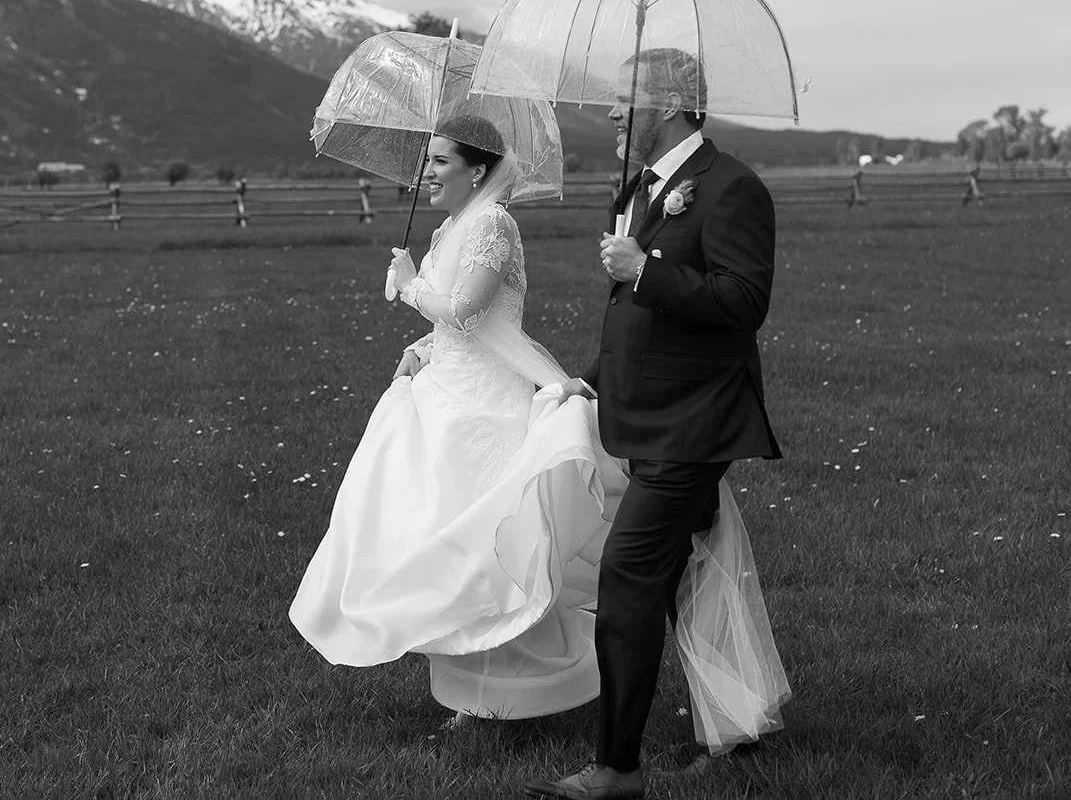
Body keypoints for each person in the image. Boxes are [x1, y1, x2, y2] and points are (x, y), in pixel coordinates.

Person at [288, 114, 622, 726]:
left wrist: (412, 286)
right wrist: (421, 347)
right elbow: (455, 329)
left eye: (441, 161)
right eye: (429, 160)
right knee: (441, 540)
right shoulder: (451, 227)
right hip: (447, 391)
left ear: (478, 170)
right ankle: (471, 694)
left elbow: (469, 310)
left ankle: (512, 694)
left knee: (489, 545)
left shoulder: (493, 223)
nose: (428, 172)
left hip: (487, 406)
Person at [523, 48, 790, 800]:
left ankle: (616, 769)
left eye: (623, 98)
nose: (611, 111)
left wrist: (644, 267)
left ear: (669, 104)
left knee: (629, 579)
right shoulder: (649, 186)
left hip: (693, 423)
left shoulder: (733, 188)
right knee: (697, 577)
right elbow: (640, 322)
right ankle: (739, 723)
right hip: (647, 415)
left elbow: (743, 303)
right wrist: (592, 379)